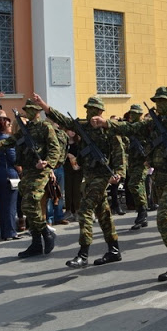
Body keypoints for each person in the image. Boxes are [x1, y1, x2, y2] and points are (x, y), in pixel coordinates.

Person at [90, 87, 167, 284]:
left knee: (165, 216)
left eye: (162, 101)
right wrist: (106, 123)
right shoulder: (152, 123)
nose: (158, 104)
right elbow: (130, 128)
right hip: (159, 177)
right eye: (156, 101)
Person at [33, 94, 126, 269]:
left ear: (100, 112)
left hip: (102, 177)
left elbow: (120, 155)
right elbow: (62, 119)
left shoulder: (109, 130)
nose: (90, 113)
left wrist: (119, 174)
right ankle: (114, 250)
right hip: (89, 176)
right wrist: (43, 105)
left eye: (94, 110)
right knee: (104, 213)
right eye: (88, 110)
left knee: (84, 211)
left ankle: (83, 254)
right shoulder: (83, 127)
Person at [0, 99, 60, 257]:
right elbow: (10, 141)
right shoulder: (26, 128)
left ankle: (46, 232)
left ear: (37, 111)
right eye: (26, 110)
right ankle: (36, 243)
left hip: (40, 170)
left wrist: (48, 163)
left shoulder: (46, 126)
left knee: (30, 203)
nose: (28, 112)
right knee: (26, 206)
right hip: (28, 169)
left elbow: (54, 148)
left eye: (31, 109)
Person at [0, 117, 21, 241]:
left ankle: (6, 231)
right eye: (8, 124)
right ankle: (10, 232)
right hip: (9, 173)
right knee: (10, 204)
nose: (10, 126)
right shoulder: (6, 140)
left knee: (4, 204)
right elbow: (14, 158)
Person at [123, 104, 150, 230]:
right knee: (137, 186)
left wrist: (149, 158)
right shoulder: (129, 128)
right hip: (132, 161)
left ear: (140, 114)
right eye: (131, 113)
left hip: (142, 161)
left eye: (135, 113)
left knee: (134, 184)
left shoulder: (145, 127)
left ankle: (142, 212)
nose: (132, 115)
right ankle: (142, 212)